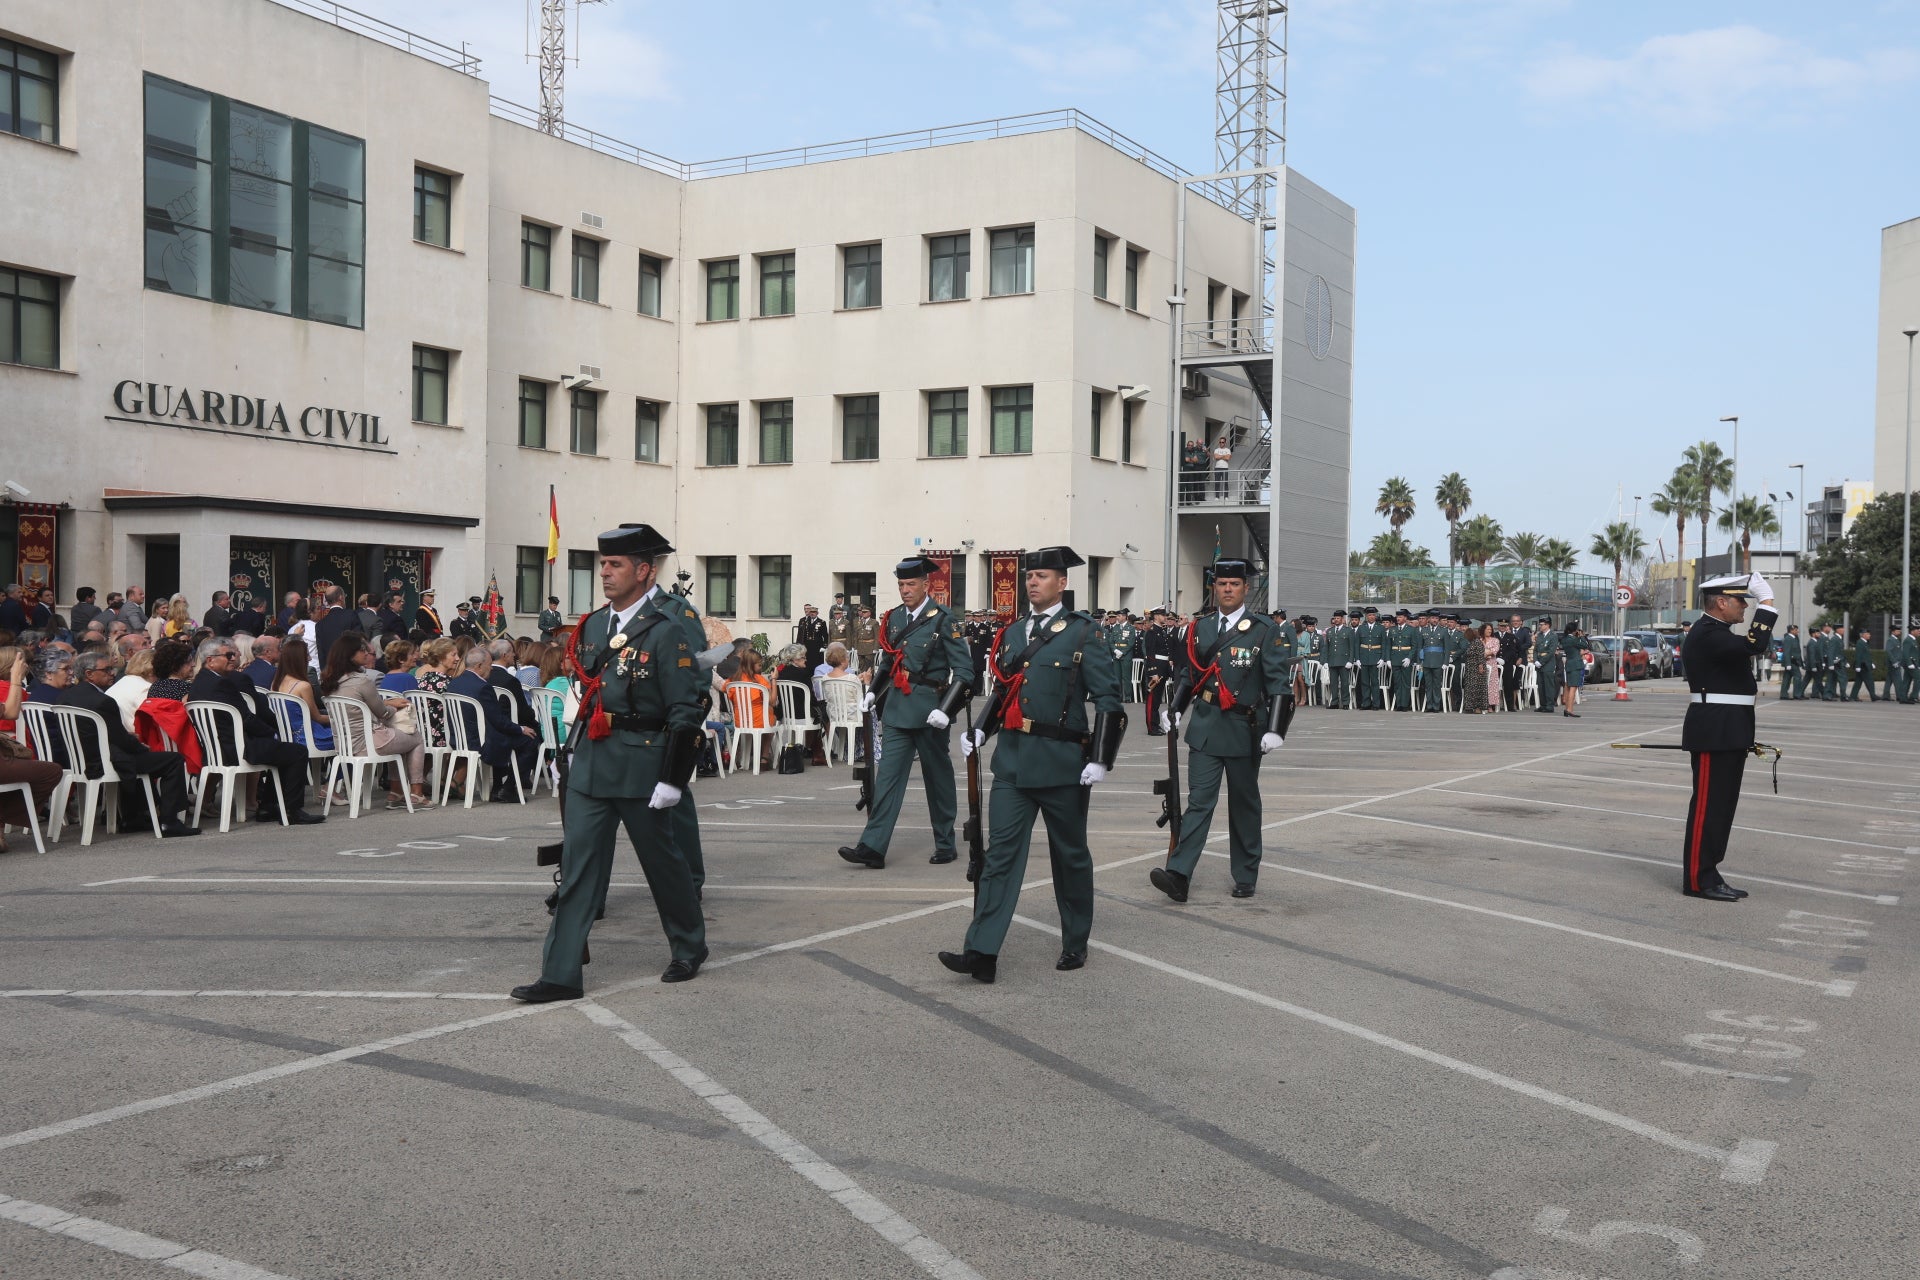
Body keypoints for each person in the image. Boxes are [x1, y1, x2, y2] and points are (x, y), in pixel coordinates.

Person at [510, 523, 707, 1002]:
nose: (605, 573)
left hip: (644, 763)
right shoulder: (594, 626)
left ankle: (689, 945)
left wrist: (674, 778)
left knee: (662, 864)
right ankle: (560, 974)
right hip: (594, 761)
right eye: (603, 564)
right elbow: (588, 691)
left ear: (644, 570)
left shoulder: (668, 630)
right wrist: (571, 750)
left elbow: (687, 708)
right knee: (579, 869)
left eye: (615, 564)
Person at [940, 546, 1122, 983]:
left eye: (1042, 576)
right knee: (999, 856)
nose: (1033, 583)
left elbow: (1110, 703)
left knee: (1070, 857)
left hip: (1062, 764)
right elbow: (1004, 689)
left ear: (1062, 583)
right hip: (1013, 765)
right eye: (1029, 577)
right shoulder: (1016, 632)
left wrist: (1100, 760)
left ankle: (1075, 941)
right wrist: (983, 728)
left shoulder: (1084, 634)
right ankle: (981, 952)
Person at [1148, 558, 1292, 905]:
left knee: (1244, 804)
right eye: (1222, 583)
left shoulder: (1263, 629)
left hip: (1245, 728)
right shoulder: (1200, 629)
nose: (1228, 589)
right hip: (1207, 725)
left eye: (1235, 584)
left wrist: (1276, 729)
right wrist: (1176, 708)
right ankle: (1179, 874)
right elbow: (1190, 675)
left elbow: (1278, 683)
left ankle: (1245, 874)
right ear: (1215, 587)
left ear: (1245, 589)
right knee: (1199, 803)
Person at [837, 555, 974, 870]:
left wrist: (946, 709)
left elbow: (965, 673)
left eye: (911, 584)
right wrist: (873, 693)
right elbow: (889, 661)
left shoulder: (943, 619)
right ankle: (872, 847)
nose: (905, 590)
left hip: (930, 710)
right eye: (901, 584)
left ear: (926, 585)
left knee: (937, 780)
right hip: (898, 708)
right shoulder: (895, 618)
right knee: (887, 779)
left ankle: (945, 843)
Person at [1678, 573, 1777, 900]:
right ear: (1721, 602)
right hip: (1714, 731)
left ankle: (1710, 872)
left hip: (1729, 729)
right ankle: (1697, 879)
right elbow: (1755, 645)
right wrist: (1767, 603)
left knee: (1722, 807)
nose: (1744, 608)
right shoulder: (1706, 633)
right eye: (1740, 601)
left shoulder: (1716, 632)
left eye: (1749, 602)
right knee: (1708, 807)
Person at [60, 652, 200, 838]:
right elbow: (121, 741)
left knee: (136, 756)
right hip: (104, 761)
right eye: (107, 669)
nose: (112, 673)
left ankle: (133, 817)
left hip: (81, 759)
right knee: (173, 759)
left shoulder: (64, 698)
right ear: (89, 674)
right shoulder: (103, 701)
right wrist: (140, 745)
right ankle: (170, 821)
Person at [188, 637, 323, 824]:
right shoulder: (222, 683)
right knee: (297, 752)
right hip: (237, 749)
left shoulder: (199, 682)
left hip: (217, 749)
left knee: (280, 750)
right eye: (228, 655)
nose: (233, 658)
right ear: (210, 660)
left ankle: (269, 806)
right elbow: (247, 718)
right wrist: (271, 733)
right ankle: (292, 810)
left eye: (233, 654)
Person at [321, 634, 427, 809]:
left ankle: (396, 792)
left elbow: (358, 705)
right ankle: (416, 793)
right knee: (415, 738)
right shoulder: (362, 681)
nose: (366, 653)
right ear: (350, 655)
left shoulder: (330, 680)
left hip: (345, 743)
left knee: (399, 738)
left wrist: (386, 703)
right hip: (369, 742)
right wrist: (395, 707)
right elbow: (383, 713)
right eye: (361, 650)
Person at [450, 647, 538, 802]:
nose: (491, 668)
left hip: (459, 739)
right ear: (478, 666)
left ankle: (498, 787)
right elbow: (498, 720)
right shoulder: (482, 687)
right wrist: (520, 728)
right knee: (529, 740)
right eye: (489, 665)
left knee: (502, 735)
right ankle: (508, 788)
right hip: (481, 742)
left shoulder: (454, 683)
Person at [1141, 608, 1178, 734]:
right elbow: (1150, 654)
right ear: (1156, 616)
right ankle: (1152, 727)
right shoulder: (1152, 632)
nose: (1165, 617)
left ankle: (1156, 725)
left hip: (1163, 667)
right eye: (1163, 615)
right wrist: (1153, 672)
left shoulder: (1161, 631)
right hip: (1156, 668)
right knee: (1152, 699)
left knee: (1157, 700)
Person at [106, 649, 156, 732]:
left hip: (119, 735)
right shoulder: (146, 688)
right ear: (152, 669)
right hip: (137, 738)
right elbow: (152, 722)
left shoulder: (121, 682)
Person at [145, 638, 196, 703]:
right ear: (176, 666)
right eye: (189, 661)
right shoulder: (186, 688)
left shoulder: (154, 687)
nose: (193, 664)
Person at [314, 585, 357, 660]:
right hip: (349, 667)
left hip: (329, 669)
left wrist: (325, 671)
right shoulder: (351, 615)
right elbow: (359, 641)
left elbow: (321, 654)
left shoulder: (320, 625)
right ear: (341, 597)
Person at [1386, 609, 1416, 711]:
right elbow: (1388, 645)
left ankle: (1405, 704)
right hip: (1395, 658)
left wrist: (1409, 657)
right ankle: (1399, 704)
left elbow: (1414, 646)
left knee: (1406, 683)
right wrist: (1388, 659)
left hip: (1406, 658)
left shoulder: (1411, 630)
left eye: (1400, 617)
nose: (1398, 618)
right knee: (1397, 682)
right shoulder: (1392, 629)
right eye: (1397, 617)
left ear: (1405, 618)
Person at [1323, 608, 1354, 708]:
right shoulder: (1330, 631)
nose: (1336, 620)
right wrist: (1326, 661)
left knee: (1345, 683)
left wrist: (1350, 660)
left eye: (1338, 618)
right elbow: (1326, 647)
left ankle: (1345, 703)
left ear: (1342, 619)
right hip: (1332, 660)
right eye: (1335, 618)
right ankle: (1334, 702)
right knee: (1333, 683)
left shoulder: (1348, 631)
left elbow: (1351, 647)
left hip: (1344, 661)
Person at [1559, 622, 1591, 717]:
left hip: (1569, 663)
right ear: (1574, 630)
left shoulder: (1564, 639)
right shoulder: (1573, 640)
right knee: (1573, 687)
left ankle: (1567, 709)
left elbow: (1573, 651)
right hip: (1576, 665)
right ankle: (1570, 709)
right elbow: (1585, 645)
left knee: (1569, 686)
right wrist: (1581, 636)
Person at [1845, 628, 1880, 702]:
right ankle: (1873, 696)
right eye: (1867, 634)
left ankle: (1853, 696)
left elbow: (1866, 655)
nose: (1869, 635)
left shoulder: (1864, 642)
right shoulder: (1860, 643)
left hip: (1865, 665)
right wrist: (1858, 666)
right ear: (1863, 635)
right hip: (1863, 666)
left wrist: (1871, 663)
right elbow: (1859, 655)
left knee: (1858, 682)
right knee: (1869, 681)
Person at [796, 603, 829, 670]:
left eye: (814, 612)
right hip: (807, 645)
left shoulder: (822, 622)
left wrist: (824, 646)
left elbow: (825, 635)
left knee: (817, 663)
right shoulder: (805, 621)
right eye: (811, 612)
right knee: (807, 662)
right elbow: (802, 634)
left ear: (817, 613)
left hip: (817, 646)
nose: (812, 614)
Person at [1211, 434, 1233, 498]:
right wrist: (1224, 456)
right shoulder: (1216, 450)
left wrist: (1220, 456)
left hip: (1225, 468)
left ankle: (1226, 496)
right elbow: (1216, 457)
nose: (1221, 443)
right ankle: (1217, 496)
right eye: (1220, 442)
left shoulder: (1228, 450)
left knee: (1225, 483)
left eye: (1222, 442)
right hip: (1217, 468)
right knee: (1217, 483)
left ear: (1225, 443)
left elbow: (1228, 458)